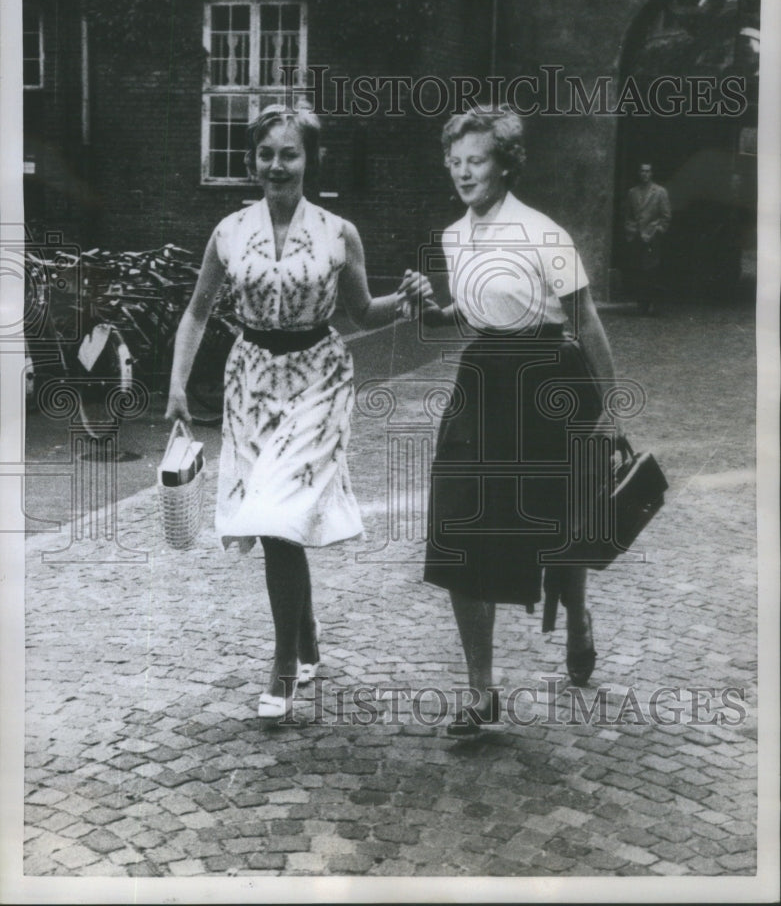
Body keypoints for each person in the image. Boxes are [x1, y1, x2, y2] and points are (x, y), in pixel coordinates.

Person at [165, 104, 427, 723]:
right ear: (251, 160)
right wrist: (176, 385)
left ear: (310, 159)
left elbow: (361, 312)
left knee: (279, 517)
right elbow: (199, 311)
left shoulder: (339, 232)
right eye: (266, 154)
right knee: (269, 516)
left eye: (290, 153)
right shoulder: (228, 231)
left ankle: (283, 664)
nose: (276, 165)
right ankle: (305, 632)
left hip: (318, 379)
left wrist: (407, 301)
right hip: (251, 380)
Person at [419, 107, 621, 736]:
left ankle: (578, 615)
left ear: (505, 162)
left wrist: (610, 412)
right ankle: (481, 691)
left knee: (560, 521)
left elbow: (586, 321)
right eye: (454, 162)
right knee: (457, 523)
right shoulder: (455, 237)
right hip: (484, 383)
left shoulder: (544, 233)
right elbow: (470, 316)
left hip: (550, 381)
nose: (463, 172)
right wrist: (429, 310)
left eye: (475, 160)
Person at [624, 162, 671, 315]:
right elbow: (628, 216)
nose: (644, 174)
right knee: (637, 270)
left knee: (651, 270)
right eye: (642, 171)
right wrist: (632, 230)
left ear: (652, 173)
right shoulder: (632, 192)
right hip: (636, 237)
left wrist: (657, 230)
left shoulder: (660, 192)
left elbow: (666, 217)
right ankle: (640, 303)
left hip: (652, 237)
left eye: (648, 171)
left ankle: (650, 302)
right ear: (639, 173)